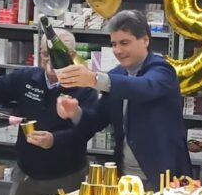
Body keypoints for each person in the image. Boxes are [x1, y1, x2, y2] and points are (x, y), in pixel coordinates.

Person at [55, 10, 191, 186]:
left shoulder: (162, 70)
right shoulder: (116, 75)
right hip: (125, 177)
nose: (118, 51)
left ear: (145, 40)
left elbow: (143, 88)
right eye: (114, 44)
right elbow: (97, 119)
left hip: (164, 178)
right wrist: (74, 112)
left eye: (124, 43)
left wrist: (94, 79)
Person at [0, 28, 99, 195]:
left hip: (67, 177)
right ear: (40, 54)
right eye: (46, 54)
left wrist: (54, 140)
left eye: (57, 55)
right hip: (26, 176)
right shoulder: (26, 78)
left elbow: (86, 130)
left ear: (72, 56)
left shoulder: (84, 89)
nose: (50, 60)